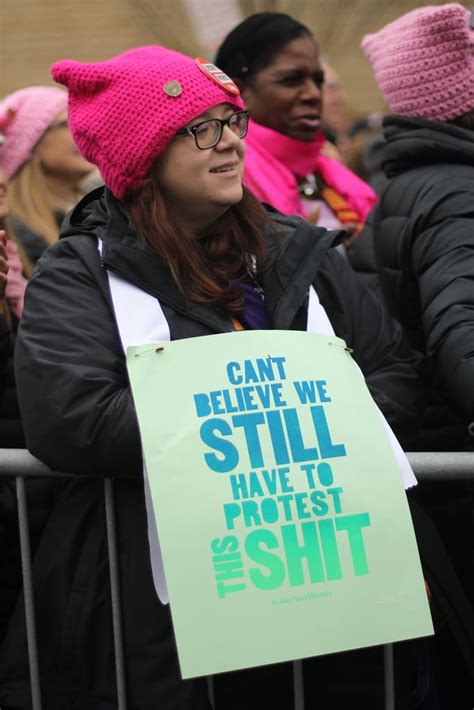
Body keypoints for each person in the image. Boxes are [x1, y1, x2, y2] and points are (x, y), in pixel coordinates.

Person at [0, 45, 443, 710]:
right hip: (167, 622)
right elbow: (72, 418)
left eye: (231, 122)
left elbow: (395, 376)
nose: (230, 143)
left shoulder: (299, 250)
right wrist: (274, 409)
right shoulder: (81, 274)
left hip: (337, 597)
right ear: (142, 157)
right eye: (200, 128)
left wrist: (276, 408)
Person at [360, 5, 474, 705]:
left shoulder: (408, 183)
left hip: (432, 474)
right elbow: (462, 333)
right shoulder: (458, 194)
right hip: (456, 476)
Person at [215, 12, 377, 247]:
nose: (313, 94)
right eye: (292, 80)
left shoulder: (326, 172)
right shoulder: (229, 184)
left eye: (318, 80)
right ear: (240, 93)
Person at [0, 86, 94, 266]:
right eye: (67, 123)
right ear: (31, 144)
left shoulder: (101, 210)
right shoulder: (18, 237)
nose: (84, 130)